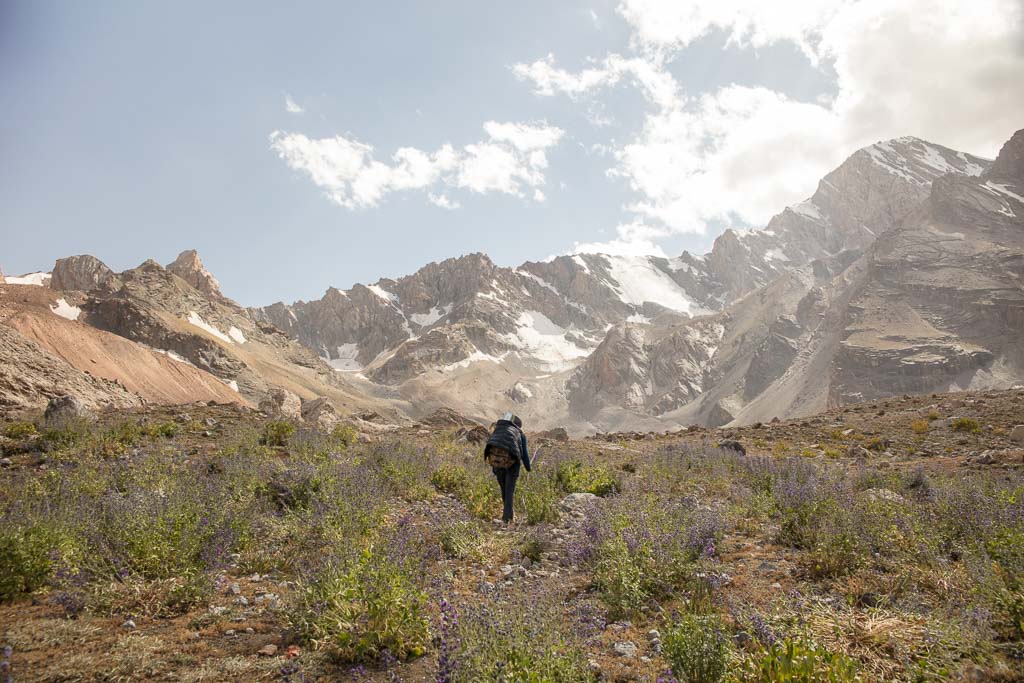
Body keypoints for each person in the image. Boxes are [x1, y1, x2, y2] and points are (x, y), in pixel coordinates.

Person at [483, 412, 531, 524]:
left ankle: (507, 515)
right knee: (509, 490)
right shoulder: (519, 433)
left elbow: (491, 446)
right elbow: (524, 454)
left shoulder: (498, 429)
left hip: (497, 463)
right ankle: (507, 518)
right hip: (512, 464)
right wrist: (528, 468)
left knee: (504, 489)